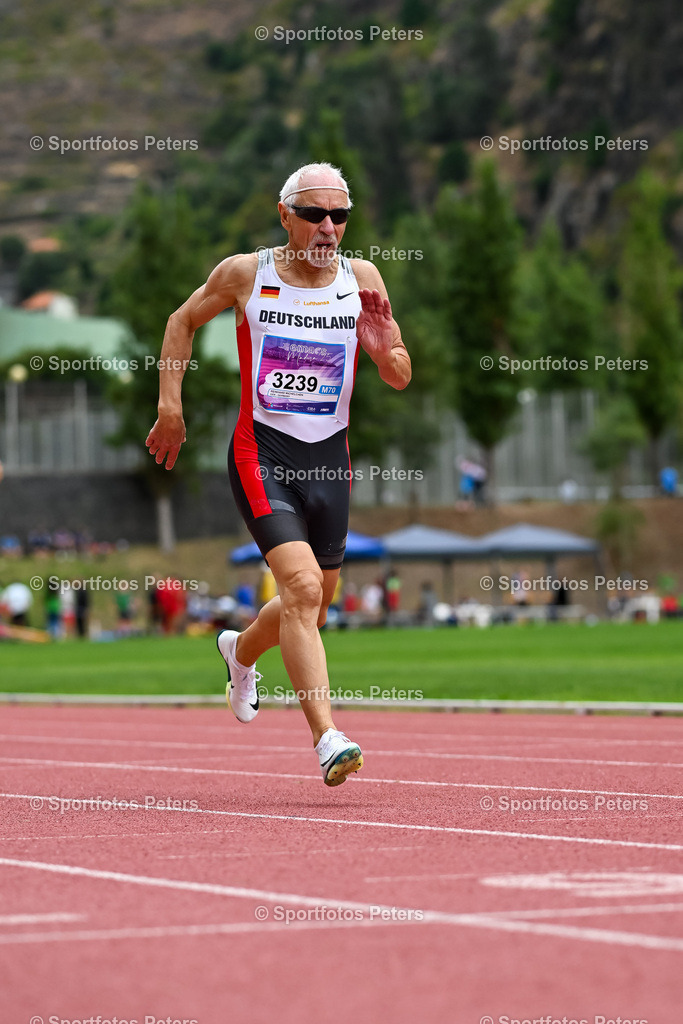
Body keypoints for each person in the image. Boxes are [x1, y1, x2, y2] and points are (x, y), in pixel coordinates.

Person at [146, 161, 411, 786]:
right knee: (299, 590)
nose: (327, 227)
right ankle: (328, 737)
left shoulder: (364, 278)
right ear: (285, 215)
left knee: (315, 607)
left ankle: (240, 651)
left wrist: (382, 351)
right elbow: (180, 322)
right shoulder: (247, 273)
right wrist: (170, 405)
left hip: (329, 458)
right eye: (314, 214)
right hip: (262, 452)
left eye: (339, 216)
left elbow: (400, 373)